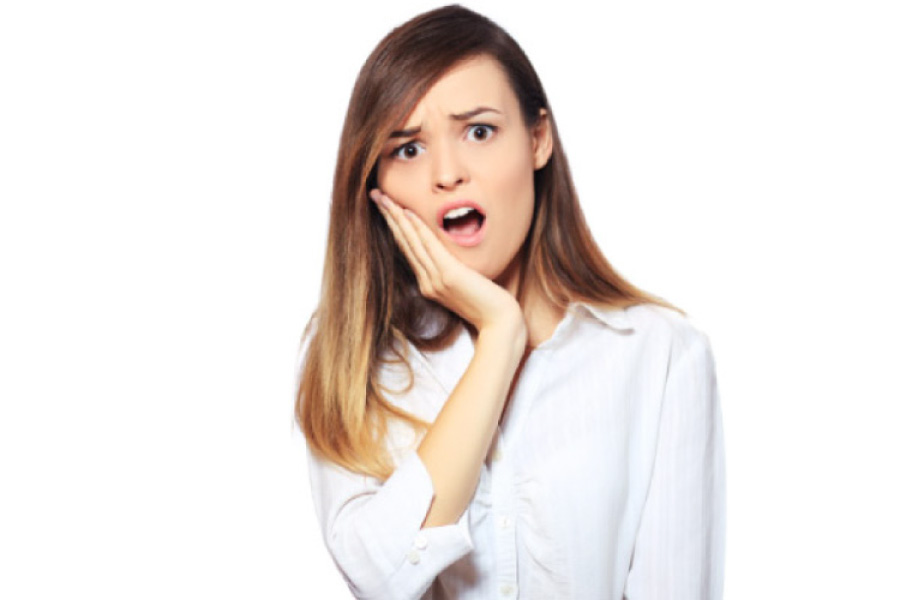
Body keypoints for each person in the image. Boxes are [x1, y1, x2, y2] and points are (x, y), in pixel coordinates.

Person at [295, 5, 725, 599]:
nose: (448, 174)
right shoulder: (354, 352)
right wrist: (500, 334)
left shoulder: (661, 354)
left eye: (479, 131)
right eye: (408, 149)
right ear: (376, 183)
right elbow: (381, 579)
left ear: (538, 140)